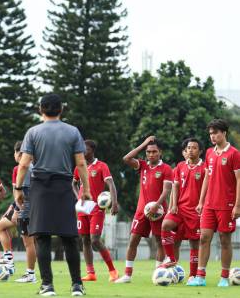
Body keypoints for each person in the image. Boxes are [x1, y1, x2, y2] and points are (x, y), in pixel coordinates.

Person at [15, 93, 90, 296]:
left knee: (42, 237)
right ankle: (77, 285)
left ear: (41, 109)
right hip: (64, 187)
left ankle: (47, 285)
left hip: (40, 187)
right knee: (69, 237)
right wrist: (87, 190)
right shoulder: (73, 132)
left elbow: (23, 164)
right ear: (61, 109)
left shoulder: (33, 132)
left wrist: (18, 189)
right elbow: (81, 163)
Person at [188, 119, 240, 287]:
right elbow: (207, 178)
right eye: (210, 133)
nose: (213, 136)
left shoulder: (234, 153)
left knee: (225, 240)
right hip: (209, 204)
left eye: (216, 133)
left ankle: (224, 277)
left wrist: (238, 205)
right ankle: (200, 276)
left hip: (227, 205)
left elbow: (239, 180)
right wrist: (201, 201)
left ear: (224, 133)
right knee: (204, 238)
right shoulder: (209, 153)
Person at [115, 136, 172, 283]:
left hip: (159, 212)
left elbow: (166, 190)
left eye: (154, 151)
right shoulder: (142, 166)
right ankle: (127, 275)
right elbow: (126, 158)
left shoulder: (166, 168)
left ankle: (158, 273)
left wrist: (156, 205)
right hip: (141, 211)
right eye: (148, 152)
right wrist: (144, 144)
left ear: (160, 152)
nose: (151, 154)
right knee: (133, 240)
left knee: (160, 241)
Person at [72, 139, 118, 282]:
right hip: (82, 208)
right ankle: (91, 273)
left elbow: (111, 184)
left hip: (96, 208)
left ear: (92, 150)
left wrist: (114, 202)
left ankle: (112, 270)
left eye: (84, 149)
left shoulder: (101, 166)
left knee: (95, 240)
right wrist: (77, 197)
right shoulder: (79, 167)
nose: (82, 152)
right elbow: (73, 183)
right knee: (85, 239)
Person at [160, 138, 204, 282]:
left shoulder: (204, 169)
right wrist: (173, 205)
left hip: (195, 212)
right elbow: (175, 187)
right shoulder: (180, 166)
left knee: (194, 243)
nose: (191, 150)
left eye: (194, 148)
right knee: (165, 225)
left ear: (200, 151)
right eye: (189, 147)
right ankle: (171, 258)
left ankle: (192, 275)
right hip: (180, 208)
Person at [12, 141, 37, 283]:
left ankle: (30, 274)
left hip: (26, 210)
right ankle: (31, 273)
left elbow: (24, 193)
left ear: (20, 154)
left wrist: (17, 211)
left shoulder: (25, 169)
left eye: (15, 153)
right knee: (31, 242)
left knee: (29, 243)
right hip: (32, 209)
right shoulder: (32, 167)